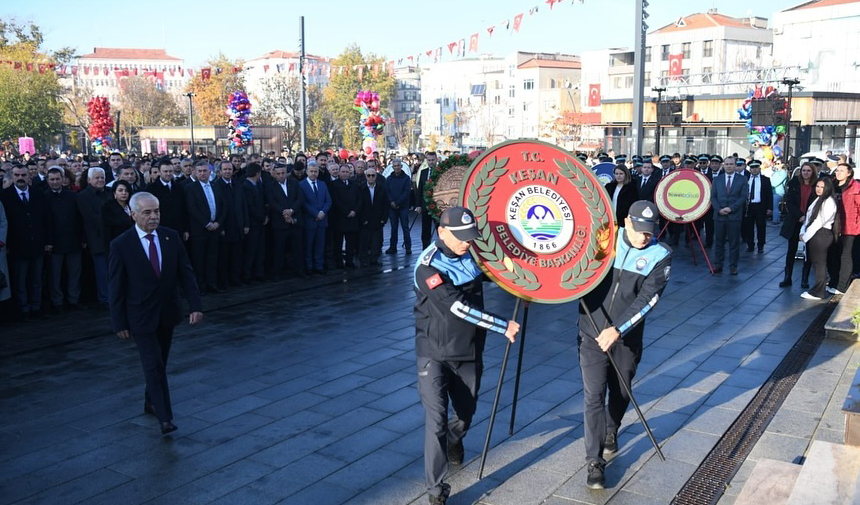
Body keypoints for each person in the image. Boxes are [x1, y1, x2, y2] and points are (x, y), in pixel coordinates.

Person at [413, 206, 520, 505]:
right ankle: (436, 490)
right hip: (433, 351)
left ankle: (455, 438)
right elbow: (458, 307)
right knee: (436, 419)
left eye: (469, 237)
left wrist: (506, 269)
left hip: (469, 350)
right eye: (460, 237)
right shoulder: (427, 267)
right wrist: (503, 326)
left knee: (466, 412)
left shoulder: (469, 254)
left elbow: (479, 276)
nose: (466, 242)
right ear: (441, 232)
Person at [576, 200, 671, 489]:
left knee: (621, 389)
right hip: (590, 330)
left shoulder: (660, 254)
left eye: (649, 231)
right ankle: (594, 462)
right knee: (593, 396)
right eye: (639, 230)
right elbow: (575, 267)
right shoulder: (604, 238)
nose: (644, 236)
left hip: (626, 336)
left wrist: (618, 329)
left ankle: (612, 428)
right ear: (626, 222)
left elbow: (649, 300)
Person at [108, 192, 203, 435]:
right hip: (140, 316)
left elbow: (186, 273)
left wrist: (195, 305)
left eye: (157, 211)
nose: (154, 217)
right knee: (153, 365)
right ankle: (165, 417)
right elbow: (116, 288)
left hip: (168, 312)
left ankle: (151, 399)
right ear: (133, 214)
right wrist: (119, 322)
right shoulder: (121, 245)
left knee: (161, 361)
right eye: (147, 212)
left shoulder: (170, 237)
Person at [0, 165, 51, 319]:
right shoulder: (4, 196)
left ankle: (36, 307)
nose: (20, 178)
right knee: (20, 281)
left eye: (23, 175)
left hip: (37, 244)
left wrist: (48, 241)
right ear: (12, 176)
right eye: (17, 175)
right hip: (17, 246)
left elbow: (46, 219)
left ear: (29, 176)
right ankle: (24, 309)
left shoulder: (38, 194)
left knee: (36, 279)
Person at [45, 167, 84, 313]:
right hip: (54, 243)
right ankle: (58, 302)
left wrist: (82, 238)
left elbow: (80, 218)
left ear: (63, 179)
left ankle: (74, 300)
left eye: (57, 179)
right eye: (52, 179)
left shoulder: (72, 196)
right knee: (55, 275)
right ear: (48, 180)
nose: (55, 182)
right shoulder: (44, 197)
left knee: (75, 273)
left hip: (73, 240)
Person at [185, 161, 225, 293]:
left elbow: (223, 206)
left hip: (215, 228)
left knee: (213, 258)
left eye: (205, 171)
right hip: (199, 230)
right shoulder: (191, 188)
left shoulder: (216, 186)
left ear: (210, 172)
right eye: (200, 171)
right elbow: (192, 208)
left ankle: (212, 284)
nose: (202, 173)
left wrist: (218, 222)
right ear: (195, 173)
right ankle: (200, 286)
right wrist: (206, 223)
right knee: (199, 260)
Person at [779, 163, 816, 288]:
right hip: (795, 220)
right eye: (804, 170)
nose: (806, 173)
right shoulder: (794, 184)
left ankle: (804, 278)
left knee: (809, 251)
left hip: (811, 221)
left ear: (813, 172)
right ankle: (787, 277)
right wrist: (800, 216)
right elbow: (789, 202)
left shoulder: (817, 185)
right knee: (791, 250)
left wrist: (808, 217)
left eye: (808, 170)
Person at [77, 167, 111, 307]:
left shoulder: (110, 192)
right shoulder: (83, 196)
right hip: (97, 239)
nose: (100, 180)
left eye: (102, 177)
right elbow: (90, 218)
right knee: (102, 271)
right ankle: (104, 298)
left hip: (112, 237)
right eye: (97, 178)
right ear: (89, 180)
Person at [800, 178, 839, 300]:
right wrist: (803, 231)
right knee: (817, 264)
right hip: (814, 234)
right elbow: (808, 218)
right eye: (817, 186)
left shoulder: (829, 202)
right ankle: (818, 289)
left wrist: (805, 236)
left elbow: (819, 222)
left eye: (822, 187)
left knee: (819, 263)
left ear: (827, 188)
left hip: (821, 234)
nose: (819, 189)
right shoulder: (818, 199)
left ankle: (819, 291)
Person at [711, 156, 749, 275]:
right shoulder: (717, 180)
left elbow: (743, 197)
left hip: (734, 216)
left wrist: (731, 208)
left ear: (735, 165)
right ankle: (718, 265)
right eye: (727, 164)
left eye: (731, 164)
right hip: (719, 216)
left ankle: (733, 266)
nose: (729, 166)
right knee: (719, 242)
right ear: (723, 165)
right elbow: (713, 197)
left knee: (734, 243)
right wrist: (719, 209)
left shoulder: (742, 179)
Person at [826, 163, 860, 295]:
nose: (838, 173)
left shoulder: (855, 187)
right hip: (833, 226)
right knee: (833, 254)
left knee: (846, 255)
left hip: (849, 226)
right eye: (837, 170)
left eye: (841, 171)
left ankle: (842, 286)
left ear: (849, 173)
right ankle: (834, 281)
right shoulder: (833, 185)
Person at [214, 161, 248, 288]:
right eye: (225, 169)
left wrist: (246, 224)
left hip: (238, 225)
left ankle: (235, 279)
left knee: (237, 255)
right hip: (225, 226)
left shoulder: (238, 184)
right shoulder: (216, 186)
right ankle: (224, 281)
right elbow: (216, 208)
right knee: (224, 257)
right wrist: (220, 227)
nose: (227, 171)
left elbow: (244, 205)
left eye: (229, 169)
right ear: (220, 171)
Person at [299, 163, 331, 275]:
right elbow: (303, 203)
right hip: (309, 220)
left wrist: (322, 212)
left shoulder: (323, 184)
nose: (313, 173)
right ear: (307, 172)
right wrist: (315, 213)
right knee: (308, 245)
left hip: (322, 220)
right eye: (311, 171)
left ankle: (319, 266)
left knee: (320, 245)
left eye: (315, 171)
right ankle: (309, 267)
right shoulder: (301, 185)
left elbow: (328, 201)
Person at [330, 163, 362, 269]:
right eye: (342, 171)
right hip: (339, 218)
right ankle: (339, 262)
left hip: (352, 217)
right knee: (338, 243)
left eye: (347, 172)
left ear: (350, 173)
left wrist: (355, 211)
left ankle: (349, 261)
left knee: (351, 243)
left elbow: (359, 200)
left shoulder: (354, 184)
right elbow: (335, 201)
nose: (345, 174)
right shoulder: (333, 185)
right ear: (339, 173)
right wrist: (345, 211)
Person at [242, 162, 268, 283]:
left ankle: (259, 273)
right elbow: (250, 206)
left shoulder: (258, 185)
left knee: (260, 249)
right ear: (257, 173)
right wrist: (262, 217)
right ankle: (247, 275)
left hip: (260, 223)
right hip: (252, 223)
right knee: (250, 250)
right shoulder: (246, 186)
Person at [358, 168, 388, 267]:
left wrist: (384, 219)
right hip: (365, 220)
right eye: (368, 175)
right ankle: (363, 260)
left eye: (373, 175)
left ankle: (374, 260)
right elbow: (359, 205)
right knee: (364, 241)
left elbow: (385, 204)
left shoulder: (382, 187)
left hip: (378, 219)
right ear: (365, 176)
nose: (371, 177)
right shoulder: (361, 188)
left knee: (376, 242)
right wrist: (363, 219)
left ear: (376, 176)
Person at [742, 160, 773, 253]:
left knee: (761, 226)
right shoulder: (745, 178)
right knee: (748, 226)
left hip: (760, 206)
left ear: (759, 168)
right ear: (750, 169)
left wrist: (770, 208)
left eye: (756, 167)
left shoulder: (765, 179)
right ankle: (750, 244)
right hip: (749, 206)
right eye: (752, 168)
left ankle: (761, 245)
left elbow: (769, 194)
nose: (754, 170)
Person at [386, 157, 413, 255]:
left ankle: (408, 247)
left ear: (401, 166)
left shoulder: (406, 178)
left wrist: (397, 203)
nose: (396, 167)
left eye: (398, 166)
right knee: (393, 228)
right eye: (395, 166)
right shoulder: (389, 179)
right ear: (392, 167)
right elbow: (387, 191)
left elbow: (406, 193)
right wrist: (391, 202)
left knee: (405, 227)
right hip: (392, 207)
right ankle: (392, 247)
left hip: (403, 207)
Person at [103, 179, 135, 250]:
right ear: (114, 193)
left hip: (133, 242)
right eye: (120, 190)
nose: (124, 193)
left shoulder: (133, 206)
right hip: (116, 243)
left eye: (126, 190)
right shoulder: (108, 207)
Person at [771, 159, 788, 225]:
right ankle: (775, 219)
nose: (776, 165)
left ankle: (775, 220)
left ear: (782, 164)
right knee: (774, 206)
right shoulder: (775, 172)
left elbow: (776, 182)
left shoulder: (783, 172)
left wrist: (771, 185)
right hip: (773, 191)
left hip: (779, 192)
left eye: (778, 163)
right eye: (776, 163)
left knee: (775, 206)